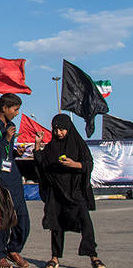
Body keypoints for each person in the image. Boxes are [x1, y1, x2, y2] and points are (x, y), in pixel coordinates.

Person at [34, 114, 107, 268]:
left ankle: (93, 257)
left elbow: (89, 164)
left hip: (75, 191)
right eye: (56, 129)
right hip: (57, 193)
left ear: (69, 129)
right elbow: (42, 165)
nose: (59, 133)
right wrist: (37, 146)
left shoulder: (78, 144)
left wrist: (75, 165)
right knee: (56, 225)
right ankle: (55, 258)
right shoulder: (51, 147)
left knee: (86, 223)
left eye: (62, 129)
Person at [0, 94, 31, 268]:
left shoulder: (12, 126)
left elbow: (5, 153)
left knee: (23, 220)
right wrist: (5, 139)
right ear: (4, 108)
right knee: (1, 221)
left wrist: (15, 153)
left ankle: (13, 249)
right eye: (15, 109)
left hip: (13, 177)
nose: (17, 113)